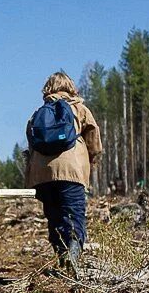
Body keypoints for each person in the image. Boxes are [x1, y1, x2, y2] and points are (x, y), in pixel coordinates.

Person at [25, 72, 102, 276]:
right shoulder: (79, 108)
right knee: (74, 214)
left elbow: (30, 143)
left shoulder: (38, 114)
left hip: (43, 176)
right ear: (71, 87)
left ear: (48, 89)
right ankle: (73, 253)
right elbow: (94, 139)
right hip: (72, 172)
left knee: (54, 216)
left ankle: (61, 259)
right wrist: (92, 160)